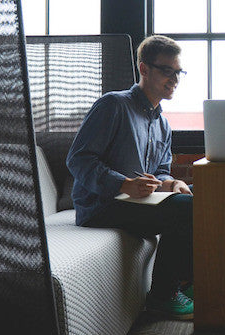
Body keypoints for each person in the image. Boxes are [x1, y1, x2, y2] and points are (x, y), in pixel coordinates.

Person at [66, 35, 195, 320]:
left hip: (138, 202)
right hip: (101, 205)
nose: (174, 79)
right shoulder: (113, 105)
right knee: (189, 209)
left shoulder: (162, 124)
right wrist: (124, 184)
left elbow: (160, 171)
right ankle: (163, 296)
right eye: (167, 71)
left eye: (178, 72)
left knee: (201, 196)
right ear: (144, 69)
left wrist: (171, 183)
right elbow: (78, 159)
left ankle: (188, 281)